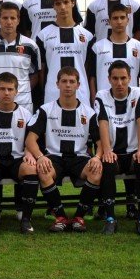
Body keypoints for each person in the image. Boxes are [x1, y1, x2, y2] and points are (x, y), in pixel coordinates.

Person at [25, 67, 103, 233]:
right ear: (57, 84)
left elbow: (100, 142)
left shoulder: (89, 113)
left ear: (78, 85)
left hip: (79, 157)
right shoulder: (46, 110)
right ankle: (60, 217)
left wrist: (97, 157)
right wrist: (40, 156)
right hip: (54, 157)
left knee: (96, 171)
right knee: (43, 170)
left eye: (72, 81)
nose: (68, 85)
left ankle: (79, 218)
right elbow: (30, 140)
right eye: (64, 81)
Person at [0, 72, 38, 234]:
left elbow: (30, 140)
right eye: (2, 89)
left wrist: (28, 153)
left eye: (10, 89)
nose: (6, 93)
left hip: (17, 159)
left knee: (31, 169)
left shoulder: (26, 115)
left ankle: (26, 219)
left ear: (16, 91)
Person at [95, 60, 140, 234]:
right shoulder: (101, 96)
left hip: (133, 151)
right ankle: (110, 218)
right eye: (115, 78)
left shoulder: (139, 93)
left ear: (130, 78)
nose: (119, 83)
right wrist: (107, 150)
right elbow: (103, 123)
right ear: (109, 79)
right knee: (108, 164)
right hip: (114, 153)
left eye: (123, 78)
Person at [0, 2, 41, 112]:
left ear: (18, 20)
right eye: (5, 18)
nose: (9, 22)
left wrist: (16, 93)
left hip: (22, 106)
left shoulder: (31, 46)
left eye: (13, 18)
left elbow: (34, 77)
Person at [36, 0, 93, 106]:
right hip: (53, 93)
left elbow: (88, 68)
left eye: (66, 2)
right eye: (58, 3)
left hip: (80, 92)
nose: (62, 7)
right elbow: (41, 70)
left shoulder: (87, 36)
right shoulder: (43, 35)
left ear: (73, 3)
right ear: (53, 6)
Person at [88, 3, 140, 100]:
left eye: (122, 18)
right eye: (115, 18)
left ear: (128, 20)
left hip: (131, 103)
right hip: (104, 102)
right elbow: (92, 79)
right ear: (109, 21)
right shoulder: (97, 48)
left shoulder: (139, 47)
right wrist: (95, 101)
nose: (119, 21)